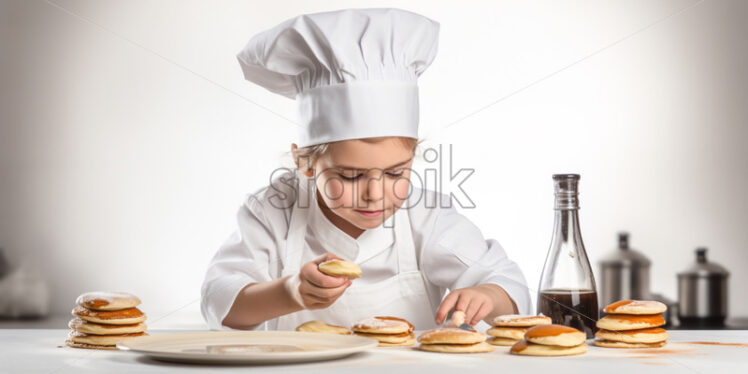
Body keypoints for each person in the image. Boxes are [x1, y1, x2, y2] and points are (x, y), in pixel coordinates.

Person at [201, 8, 530, 331]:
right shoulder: (273, 212)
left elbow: (506, 282)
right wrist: (290, 293)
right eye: (350, 176)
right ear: (305, 162)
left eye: (395, 174)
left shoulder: (426, 216)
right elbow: (218, 301)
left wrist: (487, 294)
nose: (375, 195)